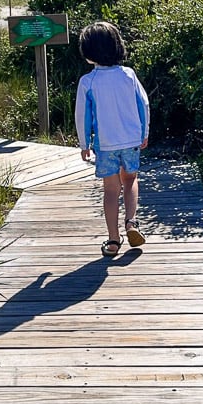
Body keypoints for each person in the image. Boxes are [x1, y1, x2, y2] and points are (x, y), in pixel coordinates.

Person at [74, 21, 150, 257]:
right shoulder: (128, 75)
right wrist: (144, 133)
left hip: (105, 145)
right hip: (131, 141)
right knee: (130, 181)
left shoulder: (88, 81)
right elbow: (143, 104)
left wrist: (84, 143)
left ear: (89, 52)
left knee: (110, 191)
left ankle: (113, 240)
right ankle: (131, 222)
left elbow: (82, 115)